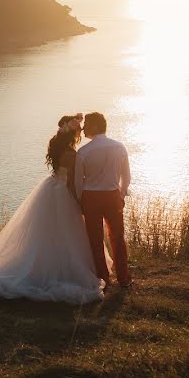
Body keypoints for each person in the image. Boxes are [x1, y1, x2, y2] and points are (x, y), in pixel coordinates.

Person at [0, 113, 105, 304]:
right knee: (65, 233)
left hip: (51, 187)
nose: (81, 131)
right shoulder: (72, 154)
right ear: (73, 133)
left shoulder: (57, 147)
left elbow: (60, 174)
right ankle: (59, 269)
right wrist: (79, 203)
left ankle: (42, 265)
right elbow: (72, 182)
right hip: (63, 193)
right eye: (79, 129)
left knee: (46, 233)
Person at [74, 112, 132, 287]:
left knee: (96, 239)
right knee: (118, 237)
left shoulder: (83, 152)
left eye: (87, 126)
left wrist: (79, 202)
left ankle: (103, 278)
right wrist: (120, 195)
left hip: (91, 197)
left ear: (96, 127)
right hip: (113, 195)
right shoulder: (120, 147)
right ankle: (124, 278)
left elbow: (78, 183)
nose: (83, 129)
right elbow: (126, 177)